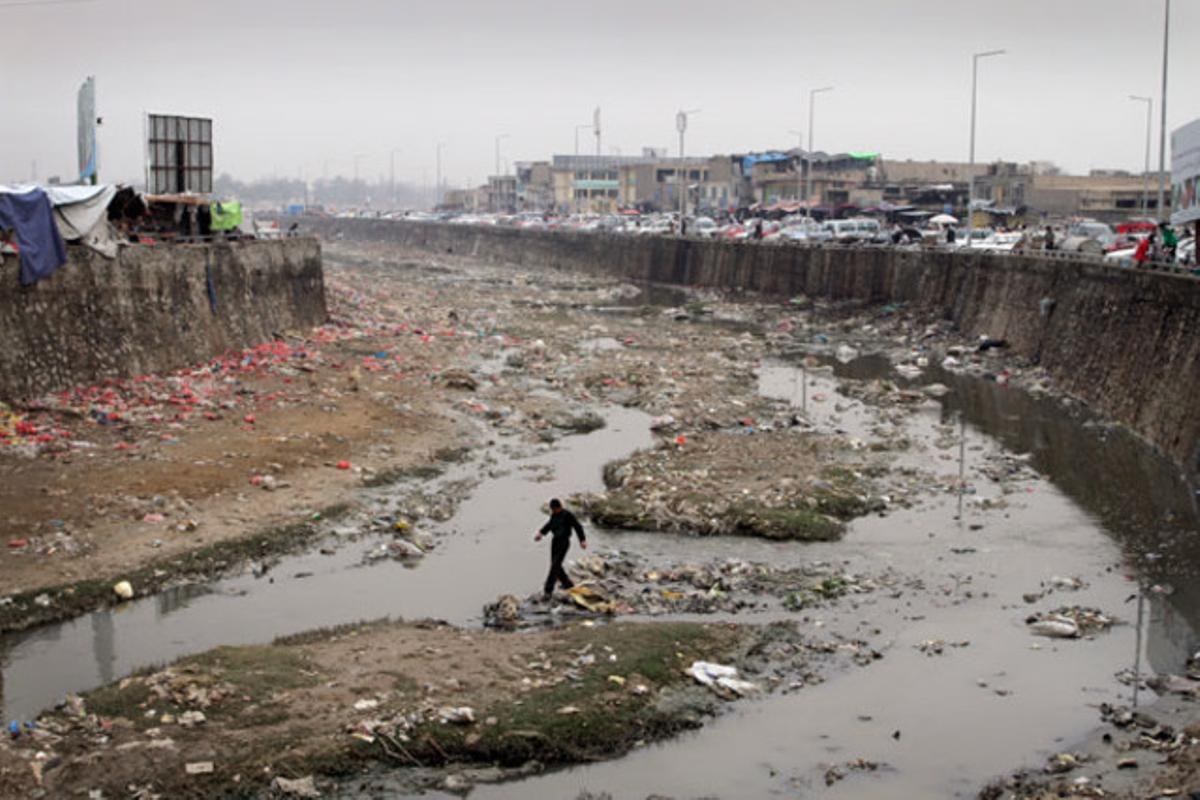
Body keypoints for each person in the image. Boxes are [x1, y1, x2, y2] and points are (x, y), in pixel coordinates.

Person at [534, 498, 587, 600]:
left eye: (555, 509)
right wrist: (541, 533)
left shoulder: (567, 515)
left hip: (564, 542)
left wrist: (582, 540)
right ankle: (567, 584)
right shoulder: (554, 515)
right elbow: (549, 525)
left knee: (555, 565)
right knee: (555, 564)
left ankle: (548, 591)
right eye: (553, 510)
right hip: (555, 542)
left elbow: (577, 526)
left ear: (559, 507)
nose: (554, 511)